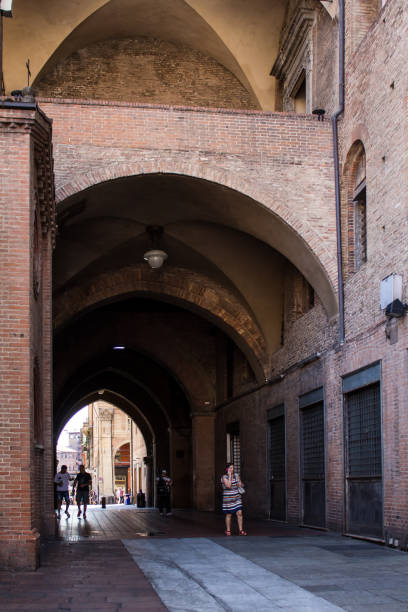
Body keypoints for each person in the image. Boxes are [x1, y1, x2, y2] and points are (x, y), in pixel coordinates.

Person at [221, 462, 247, 536]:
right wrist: (229, 476)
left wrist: (240, 484)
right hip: (228, 499)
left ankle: (240, 530)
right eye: (230, 468)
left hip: (237, 498)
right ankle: (228, 530)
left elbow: (241, 484)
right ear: (227, 469)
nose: (232, 469)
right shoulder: (224, 477)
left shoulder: (236, 475)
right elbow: (228, 486)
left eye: (233, 468)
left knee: (240, 513)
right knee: (229, 515)